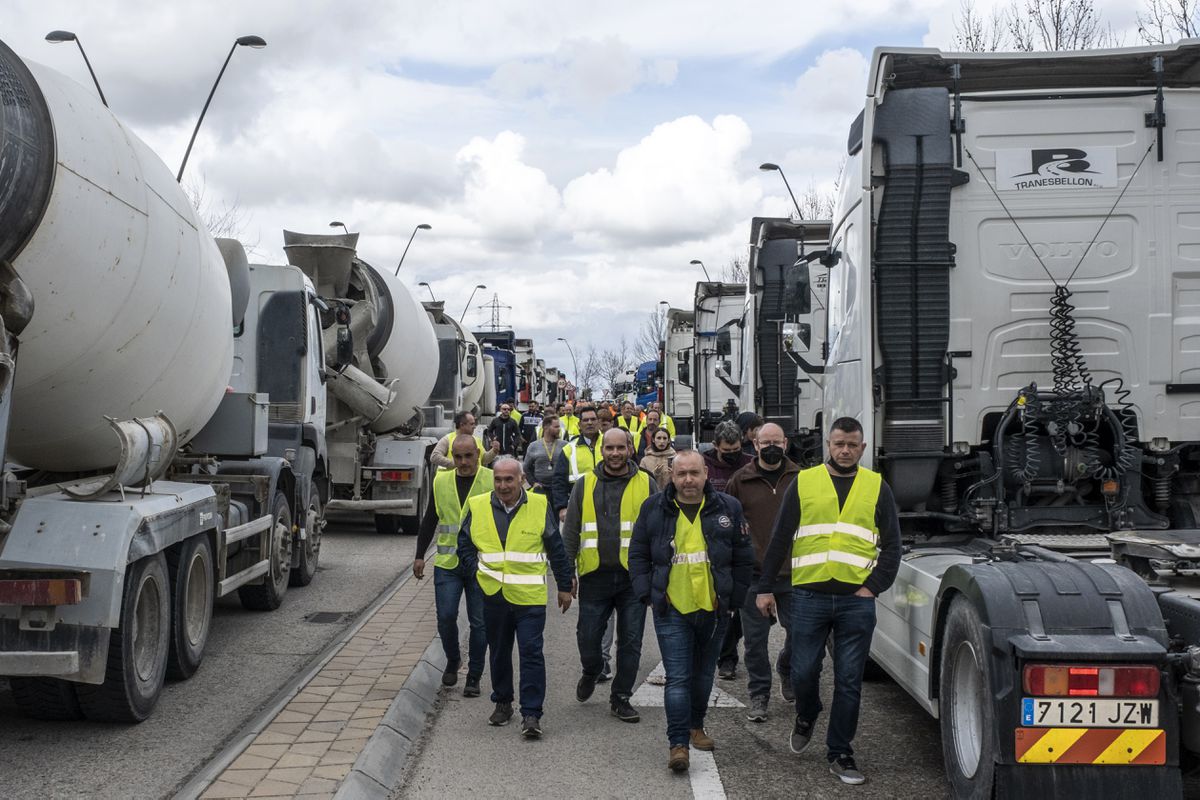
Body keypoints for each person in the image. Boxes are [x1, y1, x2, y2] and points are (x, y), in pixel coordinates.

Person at [755, 417, 901, 786]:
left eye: (852, 445)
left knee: (849, 680)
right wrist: (765, 586)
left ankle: (840, 751)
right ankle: (807, 713)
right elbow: (780, 537)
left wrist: (873, 587)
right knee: (804, 672)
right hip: (808, 597)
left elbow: (893, 545)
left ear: (863, 448)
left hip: (856, 600)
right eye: (839, 444)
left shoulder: (876, 486)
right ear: (828, 445)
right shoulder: (805, 481)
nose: (845, 451)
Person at [628, 450, 754, 773]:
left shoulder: (728, 508)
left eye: (694, 473)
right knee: (679, 678)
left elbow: (743, 556)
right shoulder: (654, 508)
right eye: (681, 473)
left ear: (705, 475)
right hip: (671, 609)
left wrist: (733, 599)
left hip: (713, 610)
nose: (688, 480)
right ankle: (678, 744)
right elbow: (638, 554)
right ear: (672, 475)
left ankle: (696, 725)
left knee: (703, 676)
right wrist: (648, 595)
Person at [457, 457, 575, 738]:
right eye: (498, 479)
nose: (502, 485)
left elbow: (555, 547)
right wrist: (477, 573)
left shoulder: (537, 504)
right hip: (493, 595)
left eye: (509, 479)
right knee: (498, 651)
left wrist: (563, 584)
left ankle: (532, 714)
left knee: (531, 653)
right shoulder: (478, 505)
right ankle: (502, 701)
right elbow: (464, 546)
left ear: (521, 479)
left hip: (529, 597)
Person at [561, 429, 658, 723]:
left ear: (630, 449)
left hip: (634, 580)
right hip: (594, 577)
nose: (615, 454)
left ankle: (621, 697)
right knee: (588, 638)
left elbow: (659, 530)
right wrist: (567, 577)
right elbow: (571, 533)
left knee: (630, 641)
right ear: (602, 450)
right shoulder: (584, 484)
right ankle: (591, 670)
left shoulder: (647, 483)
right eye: (609, 448)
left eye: (621, 448)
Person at [724, 422, 801, 721]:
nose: (771, 447)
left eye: (776, 442)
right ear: (754, 445)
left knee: (801, 634)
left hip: (794, 574)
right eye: (764, 441)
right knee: (755, 643)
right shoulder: (739, 480)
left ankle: (786, 666)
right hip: (754, 576)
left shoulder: (801, 478)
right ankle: (759, 694)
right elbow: (727, 524)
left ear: (785, 444)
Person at [413, 436, 493, 698]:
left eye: (468, 456)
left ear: (477, 454)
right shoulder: (441, 481)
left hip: (480, 563)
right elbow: (430, 519)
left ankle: (474, 675)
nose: (463, 462)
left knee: (480, 622)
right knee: (446, 616)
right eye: (457, 457)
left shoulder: (491, 480)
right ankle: (453, 658)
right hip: (447, 562)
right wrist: (419, 555)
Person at [702, 420, 754, 679]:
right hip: (713, 543)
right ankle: (727, 657)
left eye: (736, 449)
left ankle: (730, 649)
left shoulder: (749, 463)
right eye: (727, 450)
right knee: (722, 605)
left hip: (745, 542)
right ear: (715, 446)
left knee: (744, 604)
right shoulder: (705, 466)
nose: (732, 455)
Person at [551, 405, 601, 519]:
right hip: (578, 506)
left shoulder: (609, 444)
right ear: (579, 425)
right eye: (585, 420)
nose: (589, 423)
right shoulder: (569, 449)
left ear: (598, 423)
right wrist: (562, 507)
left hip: (608, 505)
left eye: (593, 419)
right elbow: (558, 480)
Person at [432, 411, 498, 470]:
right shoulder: (448, 439)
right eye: (472, 424)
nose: (474, 426)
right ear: (462, 425)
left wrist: (494, 451)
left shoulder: (476, 440)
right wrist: (456, 464)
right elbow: (434, 456)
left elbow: (484, 459)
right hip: (454, 480)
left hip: (474, 480)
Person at [522, 414, 565, 493]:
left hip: (559, 488)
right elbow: (526, 468)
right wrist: (533, 483)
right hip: (540, 488)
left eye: (559, 427)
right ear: (546, 427)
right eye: (556, 427)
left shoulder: (565, 445)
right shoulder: (533, 446)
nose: (559, 429)